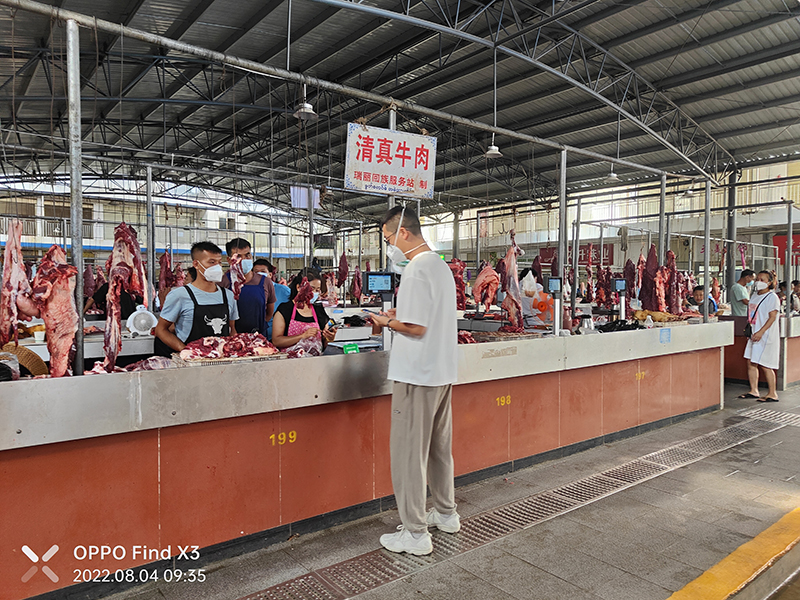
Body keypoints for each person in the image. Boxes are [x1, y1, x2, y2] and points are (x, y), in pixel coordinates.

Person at [370, 205, 459, 556]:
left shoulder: (417, 270)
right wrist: (398, 315)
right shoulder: (439, 266)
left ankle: (415, 532)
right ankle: (446, 512)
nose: (390, 245)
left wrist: (385, 321)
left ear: (403, 233)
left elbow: (416, 328)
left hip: (416, 375)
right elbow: (428, 316)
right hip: (440, 372)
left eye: (389, 238)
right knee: (439, 449)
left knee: (409, 454)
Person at [154, 241, 238, 355]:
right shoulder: (180, 295)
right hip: (191, 363)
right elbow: (161, 330)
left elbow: (231, 329)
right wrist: (186, 351)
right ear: (196, 264)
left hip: (220, 360)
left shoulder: (228, 295)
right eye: (211, 262)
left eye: (219, 263)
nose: (217, 267)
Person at [271, 268, 335, 356]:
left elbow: (323, 342)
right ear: (298, 287)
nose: (314, 293)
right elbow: (276, 341)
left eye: (317, 290)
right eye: (311, 289)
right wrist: (302, 336)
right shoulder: (285, 309)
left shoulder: (319, 310)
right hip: (289, 362)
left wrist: (329, 338)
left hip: (315, 362)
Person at [739, 271, 781, 402]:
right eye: (757, 279)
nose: (758, 281)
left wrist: (761, 332)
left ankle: (772, 393)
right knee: (751, 362)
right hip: (753, 333)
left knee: (765, 364)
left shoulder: (772, 297)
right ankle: (754, 390)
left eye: (762, 279)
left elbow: (772, 317)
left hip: (765, 335)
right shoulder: (754, 296)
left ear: (769, 283)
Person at [222, 238, 276, 337]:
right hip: (231, 338)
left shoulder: (266, 282)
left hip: (258, 338)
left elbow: (269, 312)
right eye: (238, 256)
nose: (244, 260)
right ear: (229, 260)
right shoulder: (223, 281)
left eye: (247, 255)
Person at [254, 258, 291, 340]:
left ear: (270, 275)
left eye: (263, 271)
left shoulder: (284, 291)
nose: (259, 274)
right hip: (255, 336)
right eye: (256, 272)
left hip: (278, 337)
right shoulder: (249, 290)